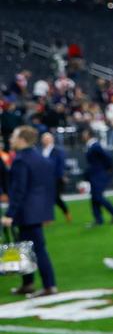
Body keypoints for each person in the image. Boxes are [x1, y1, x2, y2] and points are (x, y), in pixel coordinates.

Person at [2, 126, 58, 297]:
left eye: (13, 137)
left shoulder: (21, 160)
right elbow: (49, 188)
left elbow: (19, 190)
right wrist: (48, 213)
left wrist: (10, 214)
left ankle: (49, 286)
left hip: (26, 212)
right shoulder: (41, 158)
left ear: (22, 140)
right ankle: (28, 283)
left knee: (36, 249)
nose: (10, 140)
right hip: (38, 211)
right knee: (26, 248)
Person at [84, 132, 113, 226]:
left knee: (97, 196)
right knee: (94, 197)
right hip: (95, 175)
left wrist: (109, 169)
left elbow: (107, 157)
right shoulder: (92, 146)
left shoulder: (95, 146)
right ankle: (98, 219)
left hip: (99, 175)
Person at [39, 132, 72, 223]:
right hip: (44, 178)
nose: (46, 140)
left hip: (55, 178)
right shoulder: (40, 151)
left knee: (55, 197)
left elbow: (61, 164)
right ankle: (48, 218)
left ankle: (66, 212)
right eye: (44, 139)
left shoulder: (58, 150)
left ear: (52, 139)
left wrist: (61, 176)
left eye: (48, 138)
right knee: (46, 198)